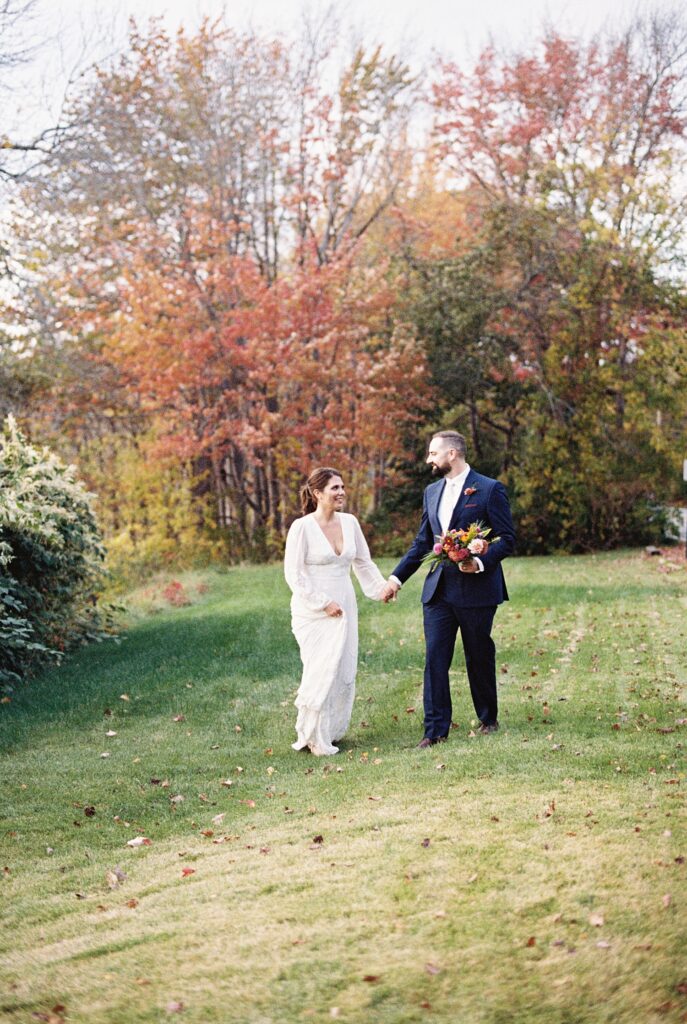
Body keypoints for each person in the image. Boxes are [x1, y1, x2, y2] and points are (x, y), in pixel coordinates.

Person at [381, 431, 515, 747]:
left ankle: (488, 718)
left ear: (452, 454)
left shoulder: (489, 489)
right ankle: (435, 730)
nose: (429, 459)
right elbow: (422, 543)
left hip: (477, 590)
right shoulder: (431, 491)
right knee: (435, 657)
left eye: (433, 453)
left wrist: (480, 562)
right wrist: (395, 579)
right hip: (438, 591)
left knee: (478, 654)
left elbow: (507, 539)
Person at [284, 467, 388, 756]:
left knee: (343, 667)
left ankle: (330, 730)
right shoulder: (301, 527)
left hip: (344, 604)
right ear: (317, 493)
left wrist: (381, 589)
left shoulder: (350, 522)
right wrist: (322, 603)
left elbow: (363, 563)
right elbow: (294, 575)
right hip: (313, 609)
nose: (341, 492)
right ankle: (313, 736)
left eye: (342, 486)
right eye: (334, 488)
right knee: (320, 668)